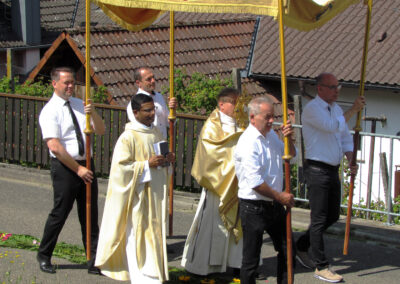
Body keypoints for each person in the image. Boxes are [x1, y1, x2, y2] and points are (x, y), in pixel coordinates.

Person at [95, 94, 175, 283]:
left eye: (153, 109)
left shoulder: (156, 133)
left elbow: (163, 163)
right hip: (138, 199)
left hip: (156, 196)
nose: (152, 114)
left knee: (154, 237)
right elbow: (119, 170)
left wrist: (167, 160)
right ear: (135, 112)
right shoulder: (128, 137)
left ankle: (154, 275)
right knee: (139, 238)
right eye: (147, 111)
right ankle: (143, 278)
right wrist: (146, 164)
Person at [37, 67, 105, 274]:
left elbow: (100, 130)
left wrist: (92, 111)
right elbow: (55, 147)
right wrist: (78, 170)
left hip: (87, 163)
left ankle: (93, 259)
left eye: (72, 82)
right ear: (54, 83)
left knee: (89, 214)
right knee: (60, 212)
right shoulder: (50, 110)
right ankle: (44, 255)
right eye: (66, 82)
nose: (70, 86)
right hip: (66, 168)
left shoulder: (79, 105)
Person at [296, 72, 361, 283]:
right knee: (319, 218)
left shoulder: (336, 109)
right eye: (332, 87)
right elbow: (333, 126)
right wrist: (353, 109)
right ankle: (321, 266)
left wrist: (350, 158)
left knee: (333, 215)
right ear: (320, 89)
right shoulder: (313, 110)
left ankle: (302, 245)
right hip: (317, 169)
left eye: (337, 87)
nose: (336, 91)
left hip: (332, 169)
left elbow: (343, 136)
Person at [181, 87, 243, 276]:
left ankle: (236, 264)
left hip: (238, 184)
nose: (238, 106)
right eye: (234, 101)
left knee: (239, 226)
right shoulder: (211, 126)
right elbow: (211, 155)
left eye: (239, 101)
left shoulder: (243, 124)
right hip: (218, 186)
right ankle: (204, 266)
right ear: (221, 104)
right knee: (212, 225)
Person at [234, 96, 296, 284]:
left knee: (287, 249)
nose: (271, 121)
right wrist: (280, 196)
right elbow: (255, 182)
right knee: (251, 259)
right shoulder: (248, 142)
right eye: (267, 117)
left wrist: (289, 139)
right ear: (253, 117)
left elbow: (290, 155)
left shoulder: (271, 136)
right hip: (253, 206)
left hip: (274, 204)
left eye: (273, 116)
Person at [126, 67, 177, 139]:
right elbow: (139, 130)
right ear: (138, 83)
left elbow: (169, 123)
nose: (153, 81)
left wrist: (173, 110)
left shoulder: (159, 97)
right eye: (148, 79)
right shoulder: (133, 104)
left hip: (162, 143)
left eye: (153, 77)